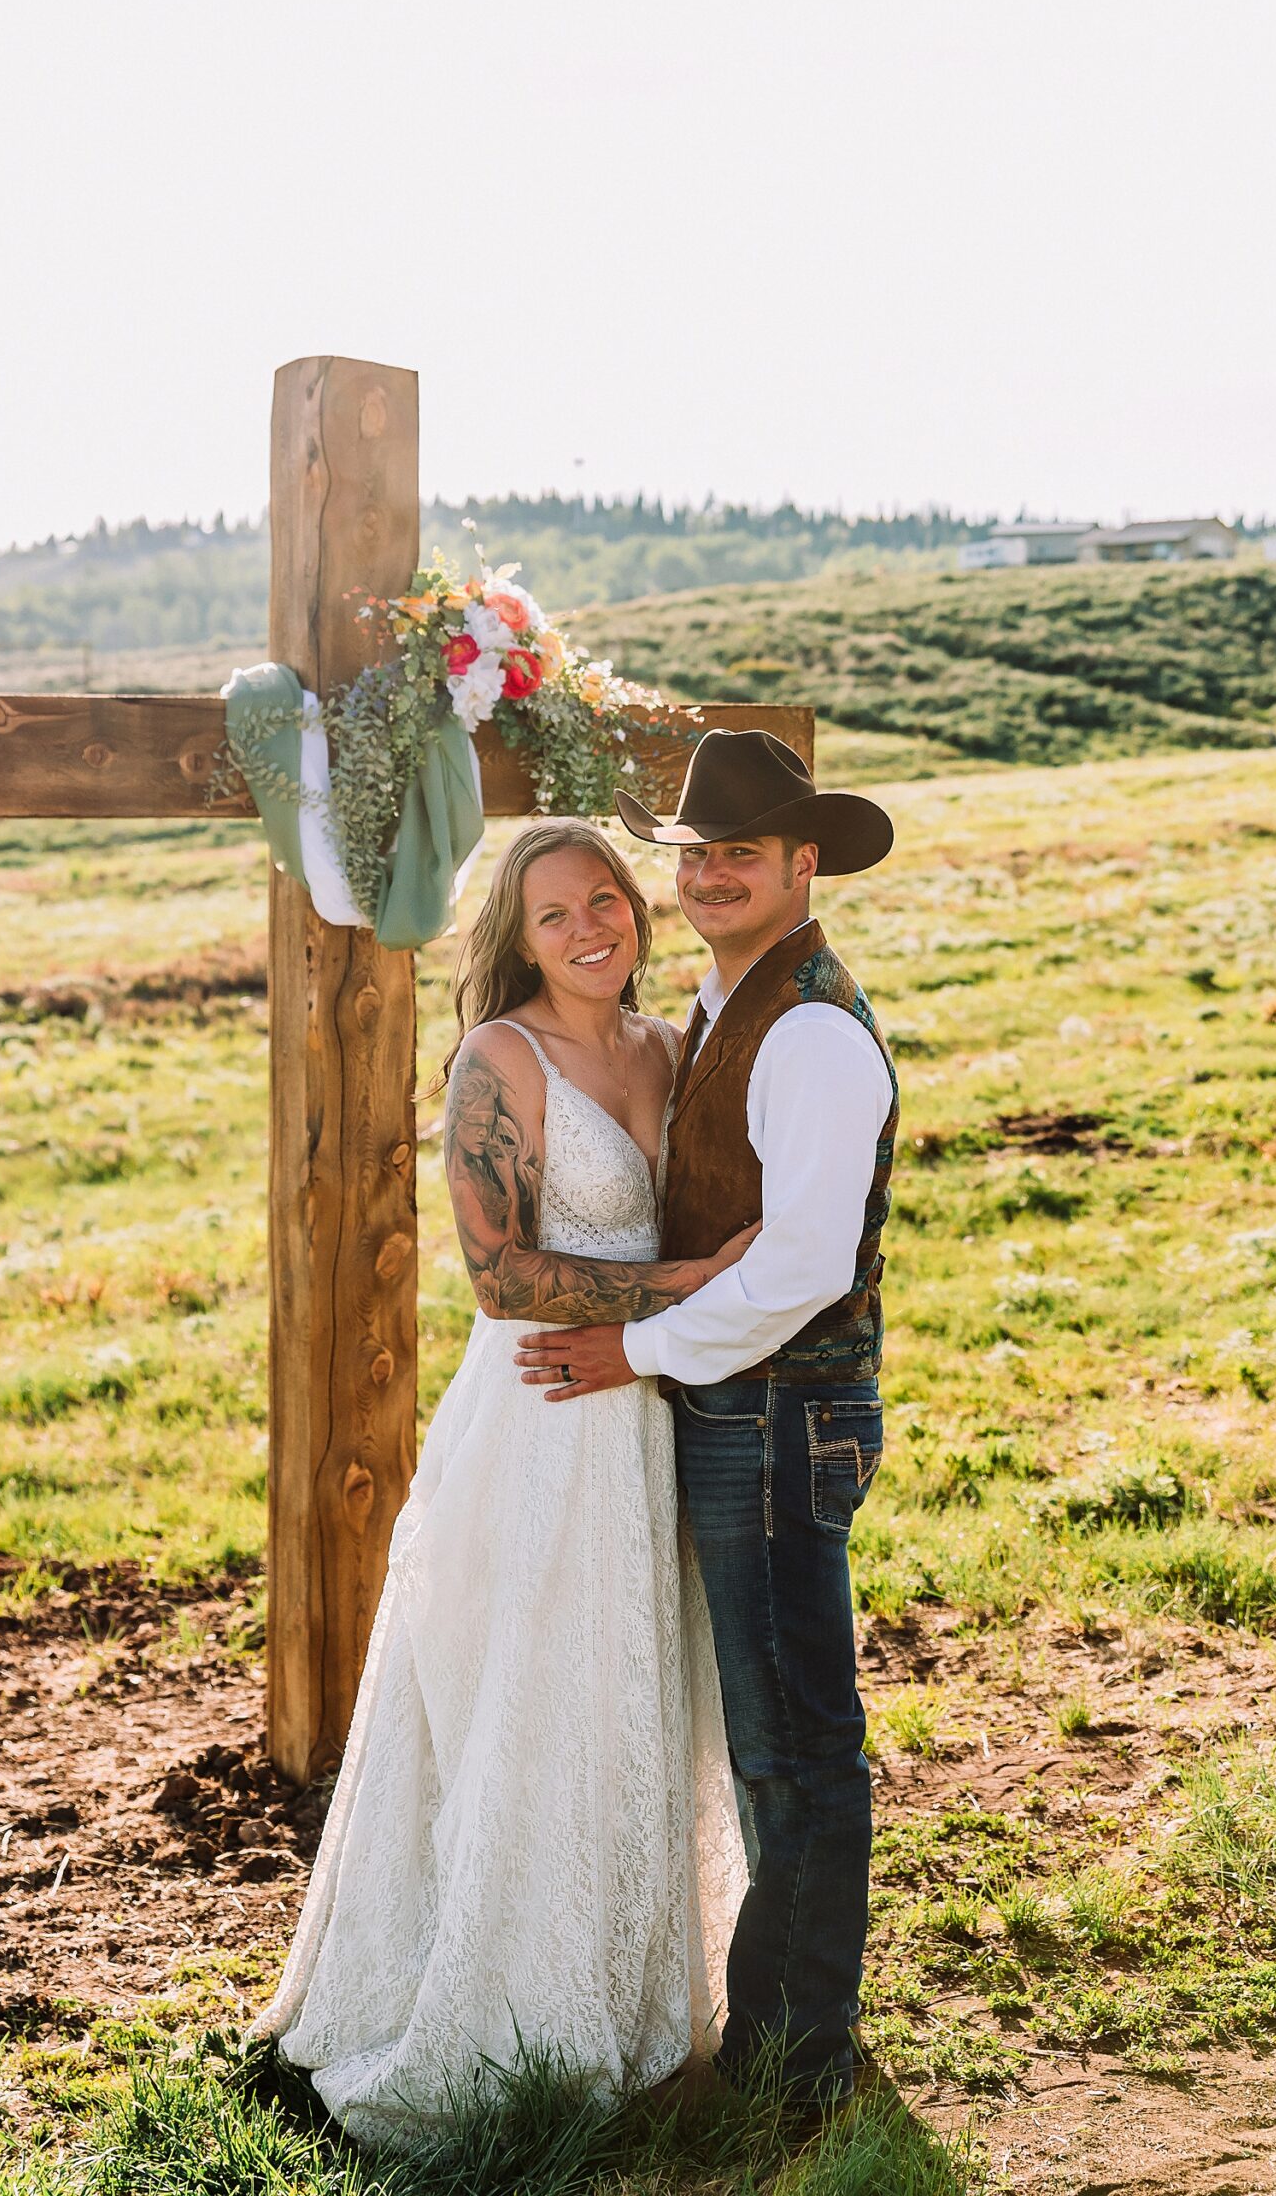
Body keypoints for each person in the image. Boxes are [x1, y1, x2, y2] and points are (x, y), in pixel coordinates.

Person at [248, 818, 750, 2144]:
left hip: (650, 1416)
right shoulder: (499, 1060)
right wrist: (694, 1285)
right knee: (532, 1699)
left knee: (635, 1694)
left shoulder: (671, 1048)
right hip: (539, 1420)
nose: (590, 929)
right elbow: (503, 1276)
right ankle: (500, 2014)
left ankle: (631, 2000)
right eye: (553, 915)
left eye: (605, 899)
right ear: (517, 942)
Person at [516, 732, 898, 2110]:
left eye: (744, 851)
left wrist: (635, 1349)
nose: (714, 874)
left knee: (794, 1744)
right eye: (697, 853)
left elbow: (800, 1267)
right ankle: (784, 2034)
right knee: (767, 1733)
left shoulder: (808, 1031)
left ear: (804, 864)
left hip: (782, 1417)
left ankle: (797, 2063)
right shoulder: (727, 1001)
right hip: (740, 1412)